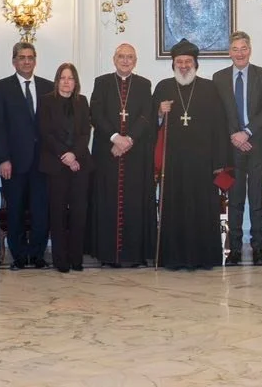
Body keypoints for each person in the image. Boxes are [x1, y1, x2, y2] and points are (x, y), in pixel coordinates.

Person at [155, 40, 231, 270]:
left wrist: (219, 164)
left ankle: (203, 257)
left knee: (201, 209)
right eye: (180, 61)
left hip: (202, 164)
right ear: (173, 65)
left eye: (188, 61)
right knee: (174, 209)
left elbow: (220, 126)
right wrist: (159, 112)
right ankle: (173, 258)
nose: (184, 65)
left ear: (196, 64)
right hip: (173, 163)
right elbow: (150, 124)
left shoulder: (209, 88)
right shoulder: (163, 87)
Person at [89, 43, 157, 268]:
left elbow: (147, 116)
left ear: (135, 61)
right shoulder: (102, 82)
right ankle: (107, 254)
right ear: (114, 58)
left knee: (134, 202)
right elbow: (96, 114)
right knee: (107, 200)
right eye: (121, 56)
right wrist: (115, 137)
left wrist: (129, 140)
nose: (125, 60)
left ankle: (133, 255)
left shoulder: (144, 84)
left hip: (135, 154)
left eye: (130, 57)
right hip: (108, 153)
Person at [213, 32, 262, 265]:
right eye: (235, 49)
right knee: (235, 201)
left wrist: (246, 132)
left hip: (258, 145)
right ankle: (235, 249)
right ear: (229, 52)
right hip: (232, 148)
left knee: (257, 200)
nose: (240, 53)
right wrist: (233, 136)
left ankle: (258, 248)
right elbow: (219, 114)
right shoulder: (218, 78)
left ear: (250, 50)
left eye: (244, 48)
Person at [0, 41, 51, 270]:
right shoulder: (2, 88)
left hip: (42, 162)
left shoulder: (48, 86)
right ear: (14, 61)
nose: (26, 61)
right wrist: (3, 158)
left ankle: (37, 255)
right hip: (13, 163)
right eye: (22, 57)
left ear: (35, 60)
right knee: (14, 211)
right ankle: (18, 256)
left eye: (30, 57)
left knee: (40, 211)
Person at [40, 63, 93, 273]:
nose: (66, 81)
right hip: (56, 165)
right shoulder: (46, 101)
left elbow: (85, 134)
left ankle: (76, 258)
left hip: (80, 164)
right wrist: (66, 156)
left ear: (76, 82)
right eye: (62, 77)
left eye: (70, 78)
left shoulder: (82, 102)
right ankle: (60, 259)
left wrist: (74, 155)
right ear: (57, 80)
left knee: (79, 214)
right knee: (58, 213)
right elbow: (46, 133)